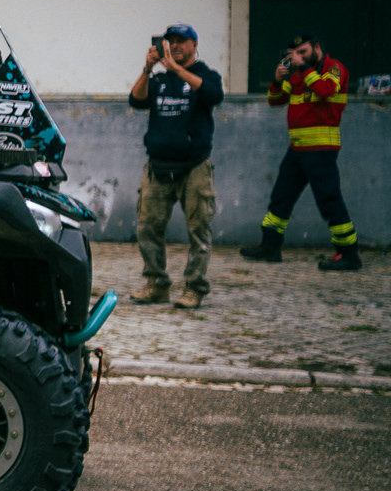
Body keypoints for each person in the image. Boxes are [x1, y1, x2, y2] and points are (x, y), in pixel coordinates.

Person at [239, 33, 360, 271]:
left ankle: (349, 254)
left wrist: (303, 67)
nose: (297, 57)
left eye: (303, 52)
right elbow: (275, 101)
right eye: (294, 54)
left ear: (317, 47)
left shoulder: (334, 68)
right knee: (281, 198)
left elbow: (325, 90)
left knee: (329, 201)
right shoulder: (297, 74)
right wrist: (276, 81)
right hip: (297, 149)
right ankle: (270, 246)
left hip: (321, 149)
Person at [126, 23, 224, 308]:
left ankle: (194, 287)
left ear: (195, 45)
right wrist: (147, 69)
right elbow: (136, 100)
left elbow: (214, 95)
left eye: (182, 41)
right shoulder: (159, 80)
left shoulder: (206, 75)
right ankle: (156, 284)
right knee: (148, 227)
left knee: (199, 229)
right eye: (171, 41)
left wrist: (178, 70)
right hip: (158, 165)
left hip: (194, 166)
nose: (175, 46)